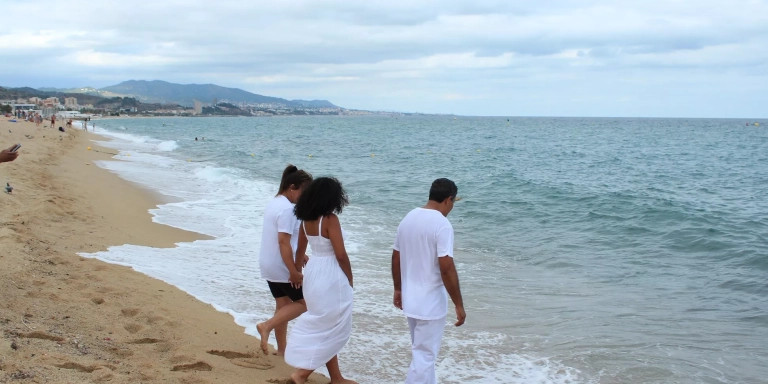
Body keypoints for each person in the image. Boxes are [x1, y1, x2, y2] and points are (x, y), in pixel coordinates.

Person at [391, 178, 466, 384]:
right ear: (448, 199)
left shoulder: (409, 217)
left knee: (422, 354)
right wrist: (458, 304)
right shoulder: (442, 224)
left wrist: (398, 289)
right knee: (424, 357)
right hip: (430, 302)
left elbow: (396, 256)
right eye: (453, 203)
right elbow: (446, 267)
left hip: (411, 298)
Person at [285, 177, 356, 384]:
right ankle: (301, 374)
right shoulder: (330, 220)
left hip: (314, 272)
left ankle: (336, 378)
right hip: (330, 274)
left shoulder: (306, 220)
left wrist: (297, 271)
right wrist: (350, 279)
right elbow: (341, 255)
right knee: (332, 325)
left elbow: (300, 251)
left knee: (325, 324)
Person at [256, 165, 313, 356]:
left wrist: (300, 254)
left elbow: (281, 239)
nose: (305, 198)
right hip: (282, 266)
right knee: (306, 303)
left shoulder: (275, 202)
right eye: (304, 193)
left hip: (268, 264)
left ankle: (282, 351)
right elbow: (283, 242)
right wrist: (294, 271)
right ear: (292, 187)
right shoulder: (288, 209)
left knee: (283, 305)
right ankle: (266, 326)